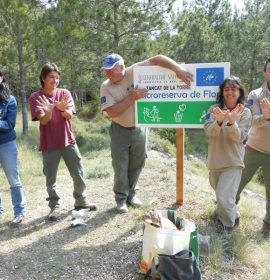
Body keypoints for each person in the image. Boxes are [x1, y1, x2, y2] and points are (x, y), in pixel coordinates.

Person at [100, 53, 193, 213]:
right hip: (119, 129)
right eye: (106, 71)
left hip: (140, 128)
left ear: (121, 68)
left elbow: (158, 58)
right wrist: (132, 97)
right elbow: (112, 112)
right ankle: (121, 199)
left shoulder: (134, 71)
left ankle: (132, 195)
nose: (107, 74)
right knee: (120, 165)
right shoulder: (106, 86)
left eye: (110, 70)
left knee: (138, 163)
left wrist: (177, 69)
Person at [30, 62, 95, 221]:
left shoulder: (64, 93)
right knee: (50, 178)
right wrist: (50, 110)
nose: (55, 80)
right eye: (51, 77)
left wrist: (61, 108)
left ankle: (81, 201)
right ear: (43, 78)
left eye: (57, 77)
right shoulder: (36, 97)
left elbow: (70, 116)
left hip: (68, 141)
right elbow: (44, 121)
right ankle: (55, 207)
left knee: (78, 172)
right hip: (49, 143)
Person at [204, 76, 251, 232]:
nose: (230, 92)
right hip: (215, 160)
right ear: (222, 92)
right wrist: (218, 121)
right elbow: (209, 132)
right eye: (226, 89)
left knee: (224, 197)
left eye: (234, 89)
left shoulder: (245, 113)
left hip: (233, 161)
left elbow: (239, 138)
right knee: (220, 194)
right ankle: (234, 216)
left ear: (239, 92)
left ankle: (228, 228)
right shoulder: (214, 110)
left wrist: (232, 122)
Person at [236, 57, 270, 238]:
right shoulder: (256, 95)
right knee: (237, 182)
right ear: (265, 72)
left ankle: (267, 227)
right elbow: (253, 123)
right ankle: (227, 214)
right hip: (253, 148)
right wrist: (266, 117)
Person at [0, 70, 26, 225]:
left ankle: (19, 212)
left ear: (2, 78)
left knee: (13, 179)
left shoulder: (10, 100)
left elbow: (9, 124)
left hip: (6, 144)